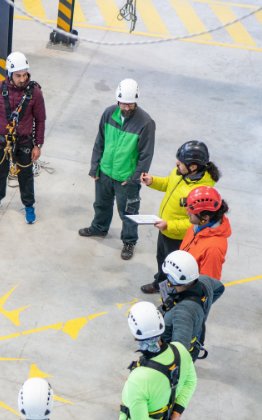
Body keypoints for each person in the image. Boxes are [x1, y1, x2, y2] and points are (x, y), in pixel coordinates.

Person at [79, 79, 156, 261]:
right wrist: (95, 166)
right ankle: (99, 228)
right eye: (123, 104)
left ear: (135, 101)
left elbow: (146, 155)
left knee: (129, 212)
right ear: (117, 100)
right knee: (101, 204)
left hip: (126, 178)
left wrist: (134, 178)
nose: (126, 108)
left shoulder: (145, 123)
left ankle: (129, 241)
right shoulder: (108, 114)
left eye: (130, 104)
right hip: (105, 172)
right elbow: (100, 141)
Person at [139, 141, 219, 293]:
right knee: (161, 258)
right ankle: (160, 282)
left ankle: (170, 292)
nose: (177, 163)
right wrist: (153, 181)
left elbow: (195, 223)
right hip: (165, 228)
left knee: (173, 266)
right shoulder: (180, 172)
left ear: (193, 167)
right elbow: (169, 183)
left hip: (178, 237)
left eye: (181, 162)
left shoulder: (200, 193)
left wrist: (169, 225)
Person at [0, 52, 46, 225]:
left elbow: (40, 119)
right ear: (9, 73)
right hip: (1, 140)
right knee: (0, 171)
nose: (22, 79)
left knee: (26, 174)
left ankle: (29, 205)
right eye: (18, 75)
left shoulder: (34, 92)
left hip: (24, 141)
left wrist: (38, 145)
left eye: (25, 75)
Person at [159, 250, 225, 360]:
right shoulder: (204, 281)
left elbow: (179, 354)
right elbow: (219, 288)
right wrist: (200, 311)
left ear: (172, 278)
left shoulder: (183, 313)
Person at [180, 186, 232, 280]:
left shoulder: (213, 249)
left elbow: (207, 283)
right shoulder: (197, 227)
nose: (188, 213)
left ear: (205, 217)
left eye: (192, 212)